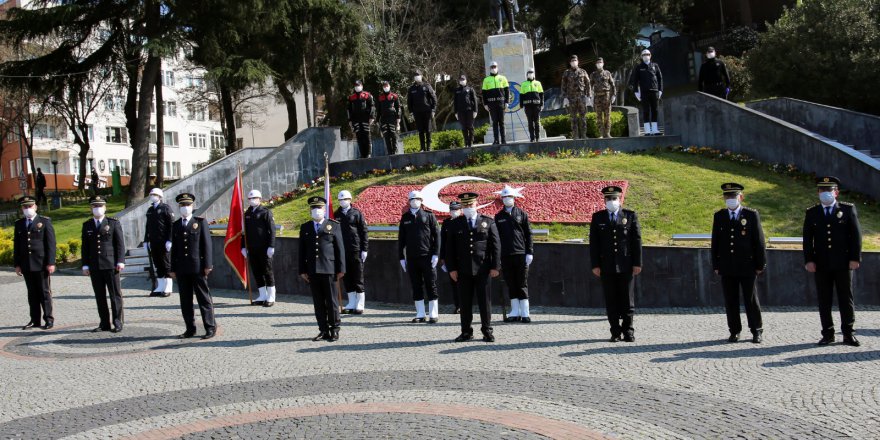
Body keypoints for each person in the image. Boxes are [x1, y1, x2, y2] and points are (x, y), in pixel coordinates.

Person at [803, 176, 863, 347]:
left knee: (846, 298)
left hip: (843, 263)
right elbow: (808, 240)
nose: (825, 193)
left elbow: (856, 237)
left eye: (829, 190)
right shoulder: (812, 213)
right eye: (822, 190)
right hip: (821, 263)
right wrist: (809, 260)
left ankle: (848, 333)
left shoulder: (847, 209)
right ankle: (828, 333)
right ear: (818, 192)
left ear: (836, 192)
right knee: (824, 299)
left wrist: (854, 258)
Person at [711, 183, 766, 343]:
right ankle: (734, 330)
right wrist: (716, 264)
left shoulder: (751, 215)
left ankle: (756, 330)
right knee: (730, 299)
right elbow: (716, 242)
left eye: (733, 196)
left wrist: (760, 264)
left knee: (750, 299)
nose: (730, 199)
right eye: (727, 196)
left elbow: (759, 241)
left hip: (747, 265)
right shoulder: (719, 216)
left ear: (740, 197)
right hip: (727, 266)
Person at [589, 186, 642, 342]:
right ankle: (615, 331)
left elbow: (636, 241)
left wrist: (637, 263)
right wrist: (595, 265)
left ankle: (628, 331)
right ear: (604, 201)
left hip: (626, 265)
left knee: (627, 300)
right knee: (611, 300)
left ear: (620, 200)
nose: (611, 201)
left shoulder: (630, 216)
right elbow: (594, 244)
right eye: (608, 199)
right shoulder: (598, 217)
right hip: (607, 266)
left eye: (614, 199)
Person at [446, 192, 501, 342]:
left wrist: (496, 266)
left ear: (477, 204)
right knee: (464, 303)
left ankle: (487, 330)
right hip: (463, 270)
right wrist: (452, 268)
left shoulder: (488, 222)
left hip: (483, 269)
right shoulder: (455, 223)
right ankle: (466, 331)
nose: (468, 207)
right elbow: (449, 248)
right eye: (465, 205)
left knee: (485, 302)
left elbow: (495, 246)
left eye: (471, 205)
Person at [168, 193, 217, 340]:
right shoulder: (176, 225)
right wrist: (172, 268)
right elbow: (174, 248)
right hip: (182, 268)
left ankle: (210, 327)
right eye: (182, 205)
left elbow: (207, 245)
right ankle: (190, 328)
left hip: (198, 267)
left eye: (187, 205)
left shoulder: (200, 223)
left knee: (204, 298)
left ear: (192, 206)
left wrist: (208, 264)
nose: (185, 208)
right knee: (185, 300)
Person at [298, 196, 345, 342]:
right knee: (318, 303)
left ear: (324, 209)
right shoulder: (305, 227)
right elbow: (301, 251)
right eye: (313, 208)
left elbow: (340, 249)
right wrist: (302, 270)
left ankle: (334, 329)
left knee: (331, 301)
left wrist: (341, 268)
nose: (316, 210)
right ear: (310, 210)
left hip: (329, 269)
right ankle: (323, 330)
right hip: (313, 270)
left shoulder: (334, 225)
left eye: (319, 207)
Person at [81, 196, 126, 333]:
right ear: (91, 208)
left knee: (115, 295)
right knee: (100, 296)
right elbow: (85, 247)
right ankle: (104, 323)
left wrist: (120, 261)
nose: (97, 208)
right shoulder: (87, 225)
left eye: (100, 206)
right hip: (95, 266)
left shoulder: (113, 223)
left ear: (105, 207)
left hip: (111, 265)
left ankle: (118, 322)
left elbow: (119, 244)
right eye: (95, 206)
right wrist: (85, 265)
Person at [13, 196, 56, 330]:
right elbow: (17, 246)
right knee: (32, 293)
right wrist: (17, 264)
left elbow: (51, 244)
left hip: (41, 263)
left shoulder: (44, 222)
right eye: (25, 207)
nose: (27, 209)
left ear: (35, 207)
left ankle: (48, 319)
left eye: (30, 206)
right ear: (22, 208)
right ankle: (35, 319)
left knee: (44, 292)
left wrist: (50, 262)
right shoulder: (19, 224)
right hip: (26, 264)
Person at [398, 190, 441, 323]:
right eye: (412, 199)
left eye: (417, 199)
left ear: (421, 201)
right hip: (412, 258)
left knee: (431, 284)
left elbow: (437, 236)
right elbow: (401, 239)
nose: (414, 201)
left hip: (427, 256)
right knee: (416, 285)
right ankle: (420, 314)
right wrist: (401, 257)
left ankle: (433, 313)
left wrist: (436, 254)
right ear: (408, 201)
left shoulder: (429, 216)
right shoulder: (405, 218)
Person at [494, 185, 533, 323]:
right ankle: (515, 311)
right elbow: (496, 238)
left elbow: (528, 234)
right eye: (504, 197)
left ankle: (525, 312)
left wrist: (529, 252)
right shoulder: (498, 217)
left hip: (521, 253)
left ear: (514, 198)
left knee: (522, 283)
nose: (506, 199)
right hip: (505, 255)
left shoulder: (521, 214)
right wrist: (496, 256)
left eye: (509, 197)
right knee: (510, 283)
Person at [335, 190, 368, 315]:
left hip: (356, 249)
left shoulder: (357, 213)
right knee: (347, 277)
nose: (343, 201)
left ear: (350, 200)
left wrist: (365, 249)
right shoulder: (336, 214)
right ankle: (352, 302)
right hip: (342, 250)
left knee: (358, 277)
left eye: (345, 199)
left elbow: (364, 232)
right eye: (340, 200)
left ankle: (360, 303)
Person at [241, 190, 277, 307]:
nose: (252, 200)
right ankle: (262, 295)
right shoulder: (247, 213)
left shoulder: (265, 212)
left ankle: (271, 296)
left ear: (260, 199)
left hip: (264, 248)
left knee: (267, 271)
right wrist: (243, 246)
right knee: (257, 272)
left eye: (254, 198)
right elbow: (243, 232)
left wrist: (271, 246)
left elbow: (272, 230)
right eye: (250, 199)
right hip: (252, 248)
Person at [144, 187, 174, 297]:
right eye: (151, 195)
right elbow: (147, 227)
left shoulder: (166, 208)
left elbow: (171, 225)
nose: (152, 197)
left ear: (160, 197)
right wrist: (146, 240)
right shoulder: (150, 210)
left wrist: (170, 240)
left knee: (166, 264)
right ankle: (160, 286)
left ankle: (168, 287)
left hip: (164, 241)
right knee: (157, 264)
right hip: (154, 241)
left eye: (154, 195)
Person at [628, 49, 663, 136]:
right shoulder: (639, 67)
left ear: (650, 55)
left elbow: (660, 78)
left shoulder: (655, 65)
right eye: (644, 55)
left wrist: (660, 90)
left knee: (655, 110)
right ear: (641, 57)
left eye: (647, 54)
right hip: (644, 92)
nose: (646, 56)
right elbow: (635, 80)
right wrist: (636, 91)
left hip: (654, 91)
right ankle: (647, 130)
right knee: (646, 111)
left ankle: (655, 130)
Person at [560, 55, 591, 139]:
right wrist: (565, 98)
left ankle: (584, 135)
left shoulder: (583, 72)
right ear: (570, 63)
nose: (574, 62)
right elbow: (563, 86)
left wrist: (589, 96)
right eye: (572, 61)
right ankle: (575, 135)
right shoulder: (566, 72)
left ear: (578, 62)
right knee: (573, 118)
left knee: (583, 117)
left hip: (581, 97)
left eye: (575, 60)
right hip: (571, 98)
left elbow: (588, 84)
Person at [439, 201, 463, 314]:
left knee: (464, 282)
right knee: (454, 282)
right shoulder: (446, 223)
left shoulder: (464, 221)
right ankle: (458, 305)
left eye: (456, 209)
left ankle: (464, 305)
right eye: (452, 209)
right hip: (450, 257)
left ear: (460, 210)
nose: (454, 211)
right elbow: (443, 241)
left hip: (463, 257)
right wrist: (442, 257)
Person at [407, 70, 437, 152]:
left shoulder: (426, 86)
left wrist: (433, 110)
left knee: (428, 129)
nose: (417, 77)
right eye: (415, 75)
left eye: (418, 75)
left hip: (427, 111)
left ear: (421, 76)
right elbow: (409, 102)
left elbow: (434, 98)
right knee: (420, 130)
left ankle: (428, 147)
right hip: (417, 113)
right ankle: (423, 148)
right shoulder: (411, 89)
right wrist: (411, 112)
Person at [482, 61, 510, 145]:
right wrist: (485, 104)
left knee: (501, 122)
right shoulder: (486, 80)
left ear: (497, 67)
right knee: (494, 122)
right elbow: (484, 93)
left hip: (500, 102)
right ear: (489, 68)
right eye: (492, 67)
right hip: (491, 104)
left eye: (494, 67)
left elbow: (507, 91)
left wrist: (507, 102)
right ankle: (496, 140)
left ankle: (503, 140)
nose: (493, 68)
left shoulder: (503, 78)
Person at [347, 79, 375, 159]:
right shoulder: (351, 97)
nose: (357, 87)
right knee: (359, 137)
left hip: (366, 119)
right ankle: (362, 154)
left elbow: (372, 106)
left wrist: (372, 117)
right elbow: (349, 109)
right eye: (355, 86)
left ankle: (368, 154)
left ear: (362, 86)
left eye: (358, 85)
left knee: (366, 136)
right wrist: (350, 120)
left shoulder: (367, 95)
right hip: (356, 120)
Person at [590, 57, 617, 139]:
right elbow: (590, 86)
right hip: (597, 97)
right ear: (596, 64)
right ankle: (601, 133)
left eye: (600, 62)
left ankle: (608, 133)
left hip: (607, 96)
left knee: (607, 116)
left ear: (603, 63)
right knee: (598, 117)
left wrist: (614, 95)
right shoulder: (593, 74)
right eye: (597, 63)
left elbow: (612, 84)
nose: (599, 64)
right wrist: (590, 97)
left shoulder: (607, 73)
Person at [453, 74, 479, 148]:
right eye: (460, 80)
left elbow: (474, 100)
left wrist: (475, 111)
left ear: (466, 80)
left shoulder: (470, 89)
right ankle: (466, 142)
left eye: (463, 79)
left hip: (469, 110)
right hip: (460, 112)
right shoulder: (456, 90)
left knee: (470, 126)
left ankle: (470, 142)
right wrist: (455, 112)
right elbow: (455, 102)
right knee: (464, 127)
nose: (462, 81)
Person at [377, 80, 402, 155]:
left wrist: (398, 118)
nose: (386, 87)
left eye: (387, 86)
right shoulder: (380, 97)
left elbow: (398, 107)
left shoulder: (394, 96)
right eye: (384, 86)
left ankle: (395, 151)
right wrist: (377, 120)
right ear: (382, 87)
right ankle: (389, 153)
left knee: (394, 136)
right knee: (386, 137)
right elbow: (378, 110)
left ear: (389, 86)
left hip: (392, 118)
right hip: (384, 119)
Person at [520, 68, 544, 142]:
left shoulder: (538, 83)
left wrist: (542, 104)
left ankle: (537, 137)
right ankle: (532, 138)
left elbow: (541, 94)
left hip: (536, 105)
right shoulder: (524, 84)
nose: (530, 74)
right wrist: (521, 105)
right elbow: (521, 95)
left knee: (536, 122)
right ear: (527, 75)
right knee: (530, 122)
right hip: (528, 106)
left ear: (534, 74)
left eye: (531, 72)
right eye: (529, 73)